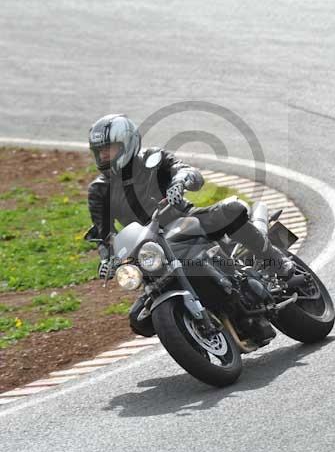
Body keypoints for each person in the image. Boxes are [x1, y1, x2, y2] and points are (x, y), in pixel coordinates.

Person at [87, 113, 294, 336]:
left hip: (186, 220)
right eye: (100, 151)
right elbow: (103, 233)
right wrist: (107, 257)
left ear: (127, 143)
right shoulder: (99, 190)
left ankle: (275, 260)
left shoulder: (153, 158)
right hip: (149, 248)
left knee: (232, 210)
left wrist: (179, 182)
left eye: (110, 149)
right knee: (139, 320)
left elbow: (186, 171)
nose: (105, 155)